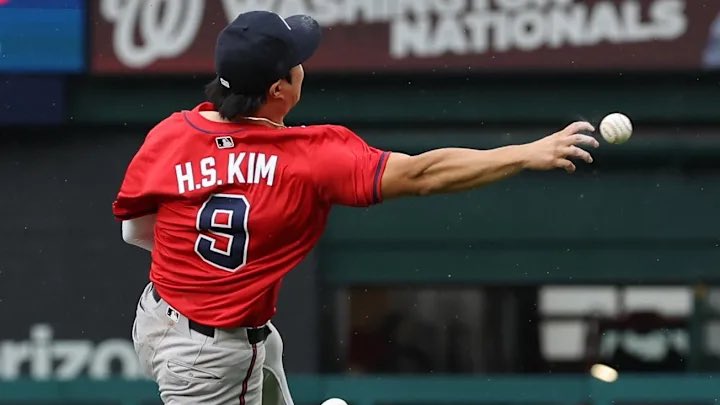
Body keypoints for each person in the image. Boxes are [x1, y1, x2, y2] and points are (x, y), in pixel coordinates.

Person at [113, 10, 598, 405]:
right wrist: (525, 153)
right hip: (213, 359)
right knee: (252, 354)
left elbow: (137, 232)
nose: (304, 65)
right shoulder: (310, 158)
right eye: (297, 61)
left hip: (157, 318)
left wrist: (200, 275)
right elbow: (422, 175)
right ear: (279, 89)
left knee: (266, 349)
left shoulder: (171, 135)